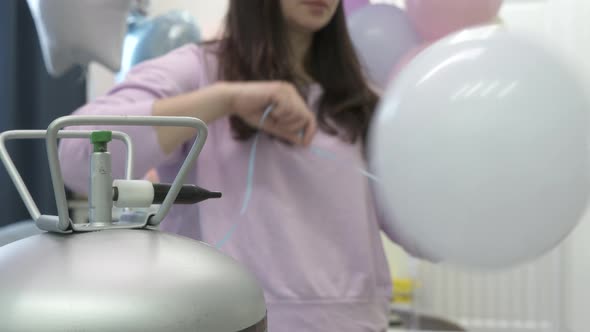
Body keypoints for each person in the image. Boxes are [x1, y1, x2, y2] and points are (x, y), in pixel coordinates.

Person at [60, 0, 418, 330]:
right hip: (226, 320)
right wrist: (224, 100)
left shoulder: (362, 100)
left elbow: (424, 235)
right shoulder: (198, 70)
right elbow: (76, 155)